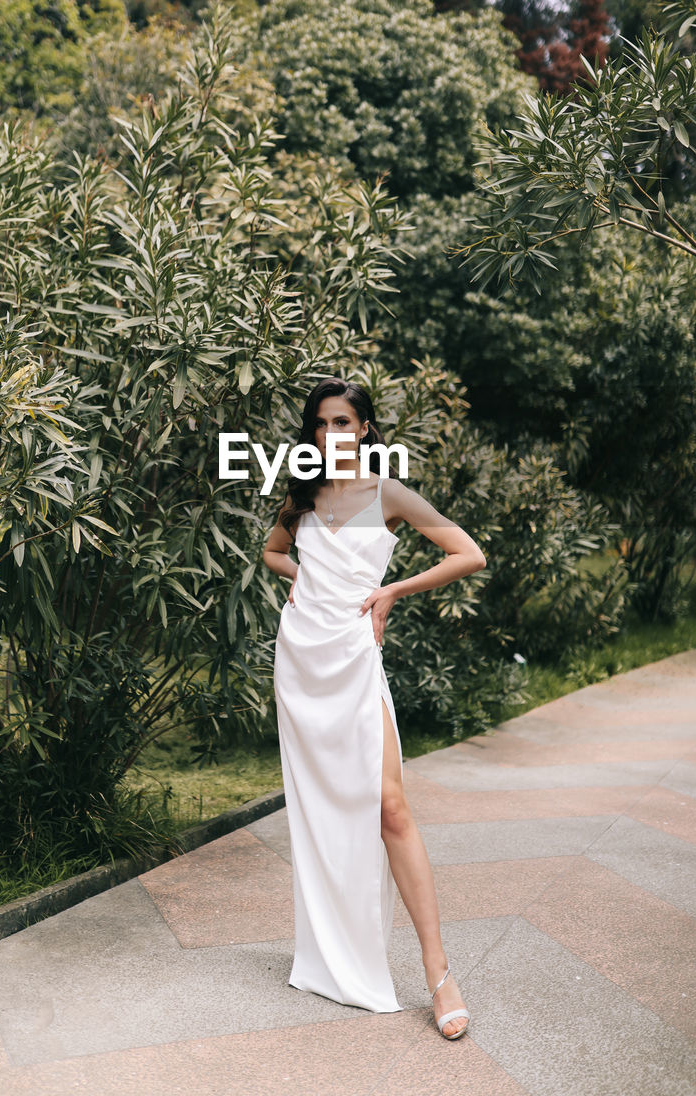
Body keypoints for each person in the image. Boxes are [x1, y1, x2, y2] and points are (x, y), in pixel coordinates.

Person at [262, 377, 486, 1039]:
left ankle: (437, 971)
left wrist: (391, 591)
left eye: (342, 422)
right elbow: (272, 553)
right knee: (322, 807)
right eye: (320, 424)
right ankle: (332, 955)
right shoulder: (301, 496)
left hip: (354, 658)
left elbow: (467, 554)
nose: (330, 434)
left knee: (389, 807)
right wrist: (309, 583)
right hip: (302, 659)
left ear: (363, 428)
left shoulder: (385, 492)